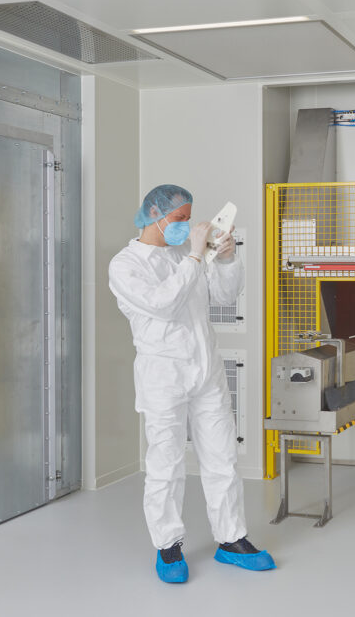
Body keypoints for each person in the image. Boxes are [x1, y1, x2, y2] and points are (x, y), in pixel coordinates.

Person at [109, 184, 275, 583]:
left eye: (189, 219)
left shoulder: (187, 256)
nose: (185, 227)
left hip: (206, 369)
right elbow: (164, 304)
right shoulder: (125, 265)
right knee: (165, 463)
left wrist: (228, 259)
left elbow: (224, 294)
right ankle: (168, 547)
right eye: (179, 219)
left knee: (222, 457)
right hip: (163, 376)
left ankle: (231, 539)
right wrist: (197, 255)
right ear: (154, 214)